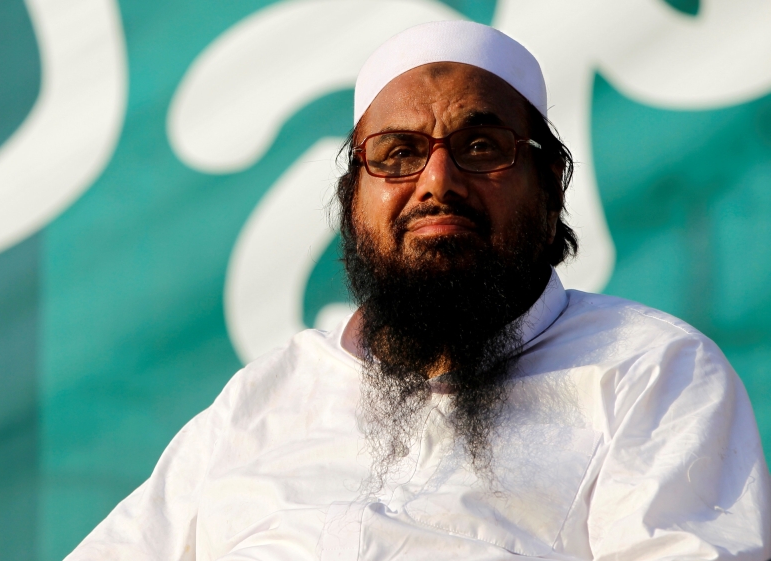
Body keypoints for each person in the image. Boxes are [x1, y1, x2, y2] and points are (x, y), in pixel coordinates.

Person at [66, 21, 771, 560]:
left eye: (481, 147)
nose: (436, 181)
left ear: (550, 186)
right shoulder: (263, 399)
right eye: (397, 154)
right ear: (352, 197)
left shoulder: (651, 371)